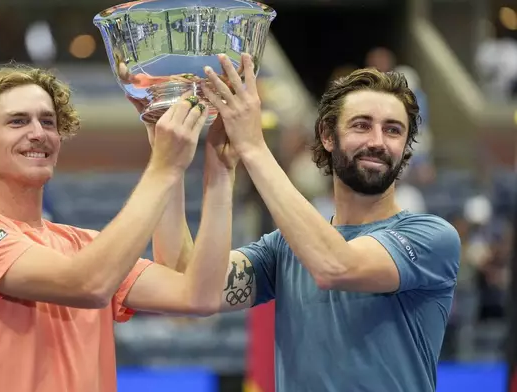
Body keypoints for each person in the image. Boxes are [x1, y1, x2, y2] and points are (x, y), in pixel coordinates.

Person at [0, 65, 239, 391]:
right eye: (18, 121)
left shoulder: (85, 246)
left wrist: (220, 173)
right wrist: (163, 167)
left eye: (48, 121)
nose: (38, 133)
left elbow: (196, 295)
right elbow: (87, 284)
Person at [195, 54, 461, 391]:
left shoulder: (432, 237)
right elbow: (198, 293)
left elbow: (335, 265)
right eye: (361, 125)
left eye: (393, 130)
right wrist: (183, 168)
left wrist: (254, 147)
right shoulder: (285, 247)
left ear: (406, 146)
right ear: (327, 135)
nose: (377, 142)